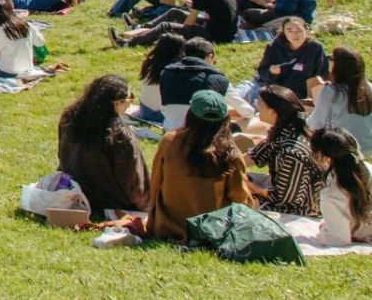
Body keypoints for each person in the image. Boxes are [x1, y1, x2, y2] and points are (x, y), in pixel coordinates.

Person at [146, 89, 254, 241]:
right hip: (212, 231)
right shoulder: (230, 152)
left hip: (167, 227)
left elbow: (156, 182)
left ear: (191, 114)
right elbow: (239, 196)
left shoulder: (170, 141)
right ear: (225, 119)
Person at [57, 74, 149, 218]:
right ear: (117, 103)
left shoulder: (69, 119)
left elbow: (62, 159)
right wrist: (148, 208)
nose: (130, 102)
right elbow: (133, 184)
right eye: (129, 98)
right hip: (110, 204)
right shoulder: (120, 137)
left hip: (74, 193)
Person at [249, 84, 323, 216]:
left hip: (297, 213)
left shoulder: (291, 152)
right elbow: (254, 157)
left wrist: (254, 189)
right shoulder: (283, 131)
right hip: (278, 195)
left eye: (259, 102)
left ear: (273, 112)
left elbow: (284, 199)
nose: (256, 105)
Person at [312, 127, 372, 245]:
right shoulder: (368, 168)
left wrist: (323, 231)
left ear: (327, 158)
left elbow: (337, 239)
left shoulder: (331, 194)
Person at [252, 17, 328, 103]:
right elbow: (262, 73)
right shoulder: (275, 47)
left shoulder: (315, 48)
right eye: (289, 31)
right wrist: (271, 72)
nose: (295, 35)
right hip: (277, 92)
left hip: (302, 95)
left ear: (306, 31)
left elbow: (322, 74)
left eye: (298, 30)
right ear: (284, 33)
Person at [310, 48, 372, 153]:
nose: (328, 60)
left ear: (339, 66)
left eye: (330, 58)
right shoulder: (369, 87)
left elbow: (316, 123)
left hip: (342, 147)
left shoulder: (331, 92)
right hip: (367, 146)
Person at [0, 0, 43, 79]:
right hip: (27, 68)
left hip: (7, 72)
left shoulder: (0, 30)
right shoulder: (26, 25)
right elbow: (40, 42)